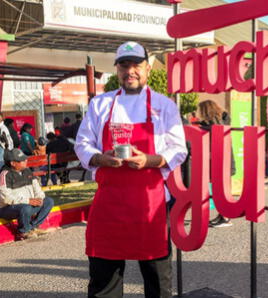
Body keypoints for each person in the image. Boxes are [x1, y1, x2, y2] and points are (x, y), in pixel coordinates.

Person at [75, 41, 187, 298]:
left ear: (147, 68)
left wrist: (149, 160)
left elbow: (178, 149)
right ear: (117, 70)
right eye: (124, 65)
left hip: (151, 206)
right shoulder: (100, 104)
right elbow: (82, 144)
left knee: (158, 282)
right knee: (103, 281)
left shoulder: (164, 106)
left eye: (136, 65)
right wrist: (101, 159)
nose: (130, 71)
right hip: (109, 205)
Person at [0, 148, 54, 240]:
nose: (25, 161)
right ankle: (23, 231)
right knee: (25, 208)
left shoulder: (27, 171)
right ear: (13, 163)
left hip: (26, 204)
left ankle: (33, 227)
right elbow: (6, 198)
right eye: (21, 160)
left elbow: (37, 188)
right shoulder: (4, 174)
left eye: (25, 159)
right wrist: (28, 201)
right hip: (5, 208)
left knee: (48, 201)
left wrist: (39, 198)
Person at [198, 100, 235, 228]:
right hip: (223, 158)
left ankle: (225, 217)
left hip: (220, 159)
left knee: (222, 189)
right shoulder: (225, 118)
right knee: (220, 188)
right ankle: (222, 215)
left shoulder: (212, 123)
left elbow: (213, 131)